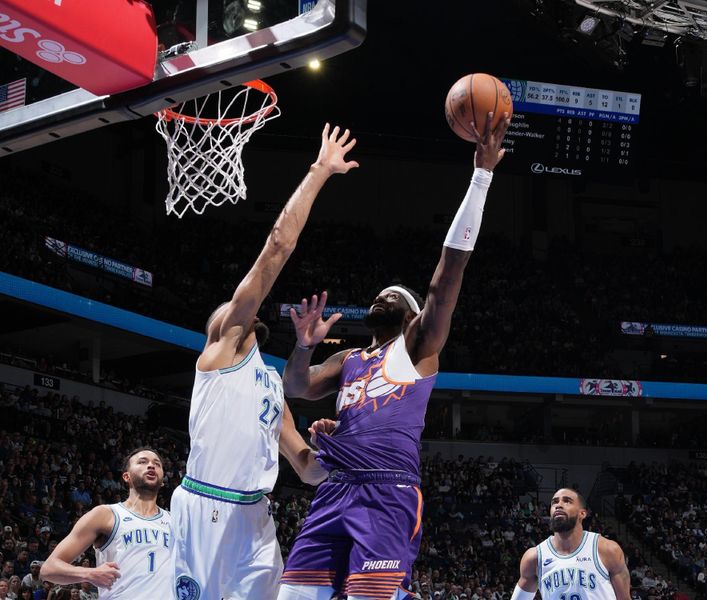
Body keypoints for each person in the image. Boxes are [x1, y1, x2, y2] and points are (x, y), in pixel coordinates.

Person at [278, 111, 511, 600]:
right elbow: (296, 388)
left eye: (395, 296)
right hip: (335, 488)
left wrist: (481, 177)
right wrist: (303, 346)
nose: (383, 296)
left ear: (411, 316)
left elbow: (448, 271)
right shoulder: (348, 361)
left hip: (387, 491)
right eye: (380, 293)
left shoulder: (417, 348)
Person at [170, 123, 359, 600]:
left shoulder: (272, 385)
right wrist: (319, 171)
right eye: (225, 313)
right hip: (206, 507)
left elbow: (306, 468)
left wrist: (350, 448)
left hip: (256, 517)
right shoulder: (221, 349)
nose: (228, 314)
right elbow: (276, 248)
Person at [40, 448, 171, 600]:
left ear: (162, 481)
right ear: (126, 476)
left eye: (157, 464)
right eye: (142, 462)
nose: (151, 466)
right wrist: (89, 574)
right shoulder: (105, 515)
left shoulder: (175, 521)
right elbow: (48, 569)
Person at [512, 488, 631, 600]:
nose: (558, 505)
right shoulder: (534, 557)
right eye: (554, 502)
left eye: (567, 501)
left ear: (582, 513)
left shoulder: (607, 550)